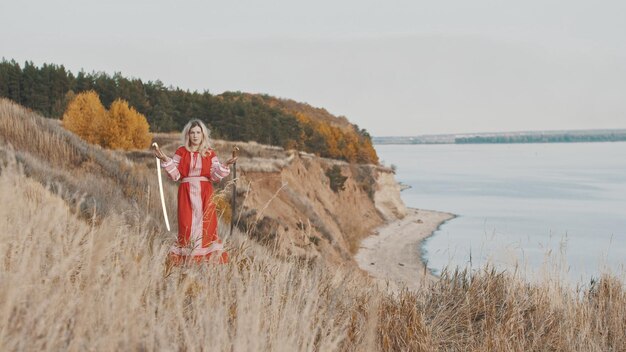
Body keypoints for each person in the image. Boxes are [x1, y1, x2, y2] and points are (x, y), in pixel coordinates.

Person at [153, 119, 237, 264]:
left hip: (205, 193)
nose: (195, 135)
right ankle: (186, 261)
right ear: (188, 135)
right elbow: (176, 175)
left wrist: (226, 165)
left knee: (208, 225)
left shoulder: (210, 153)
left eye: (198, 132)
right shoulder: (181, 151)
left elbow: (215, 176)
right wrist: (165, 159)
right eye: (192, 132)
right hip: (186, 194)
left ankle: (207, 262)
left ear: (203, 134)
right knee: (186, 226)